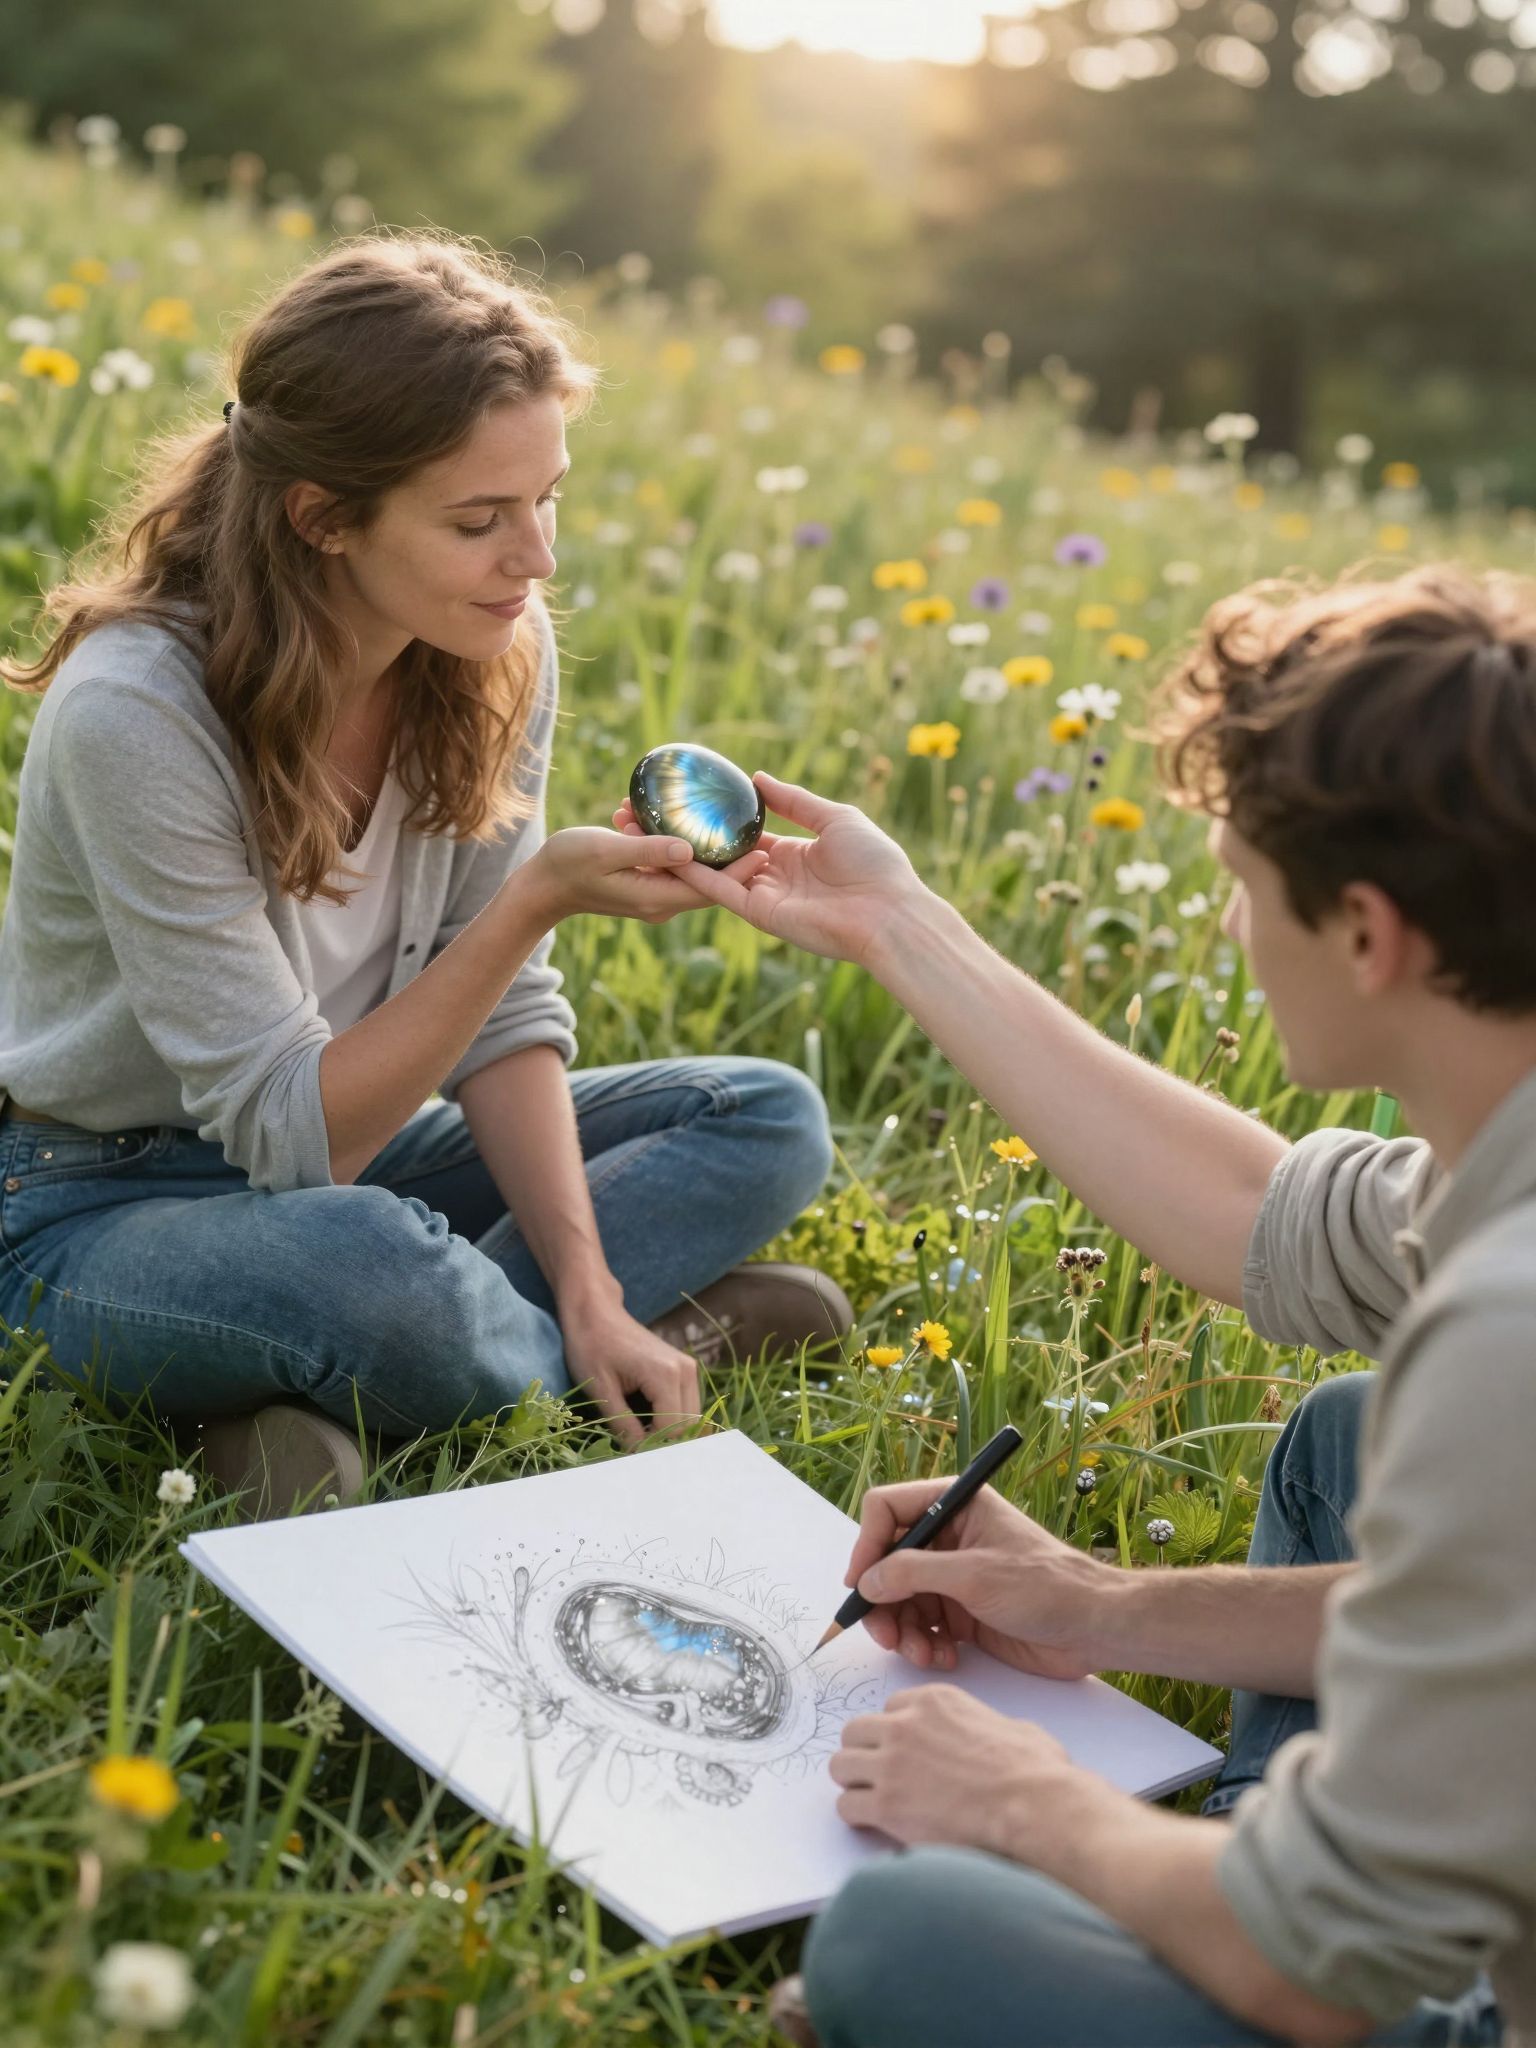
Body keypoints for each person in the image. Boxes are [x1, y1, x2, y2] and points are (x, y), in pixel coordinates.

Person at [638, 565, 1534, 2047]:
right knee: (1344, 1443)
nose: (1234, 928)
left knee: (900, 1938)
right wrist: (1096, 1602)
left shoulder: (1505, 1333)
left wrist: (1027, 1800)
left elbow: (1312, 1978)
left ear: (1369, 935)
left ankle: (1235, 1904)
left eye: (1245, 886)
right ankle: (1234, 1872)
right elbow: (1257, 1214)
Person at [0, 231, 849, 1513]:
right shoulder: (138, 711)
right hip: (96, 1203)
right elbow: (293, 1132)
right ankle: (580, 1355)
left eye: (547, 497)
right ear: (323, 517)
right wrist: (533, 902)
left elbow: (501, 1022)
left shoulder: (490, 642)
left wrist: (588, 1283)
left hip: (362, 1151)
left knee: (764, 1115)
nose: (537, 556)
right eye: (478, 520)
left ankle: (458, 1365)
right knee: (370, 1265)